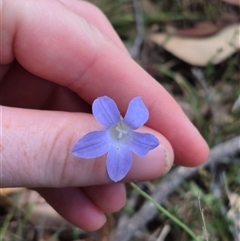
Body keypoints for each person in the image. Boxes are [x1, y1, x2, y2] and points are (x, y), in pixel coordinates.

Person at [1, 0, 209, 231]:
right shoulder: (114, 114)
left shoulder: (130, 119)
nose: (120, 129)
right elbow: (103, 109)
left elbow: (136, 129)